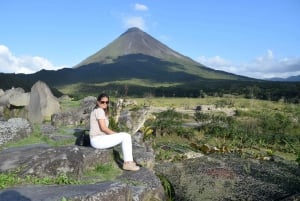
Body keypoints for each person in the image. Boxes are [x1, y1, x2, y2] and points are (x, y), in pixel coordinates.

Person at [89, 93, 140, 171]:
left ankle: (129, 162)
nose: (105, 104)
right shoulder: (99, 111)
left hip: (98, 139)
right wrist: (117, 135)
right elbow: (103, 128)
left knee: (124, 136)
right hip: (97, 140)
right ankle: (128, 163)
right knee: (126, 136)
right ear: (98, 102)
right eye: (102, 102)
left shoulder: (97, 111)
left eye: (107, 102)